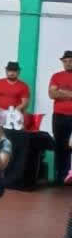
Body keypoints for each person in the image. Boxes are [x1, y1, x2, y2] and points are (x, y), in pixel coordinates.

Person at [49, 51, 72, 183]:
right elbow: (52, 94)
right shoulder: (56, 76)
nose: (68, 63)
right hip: (59, 116)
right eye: (65, 61)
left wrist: (61, 92)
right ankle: (60, 177)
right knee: (60, 145)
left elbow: (56, 92)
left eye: (70, 61)